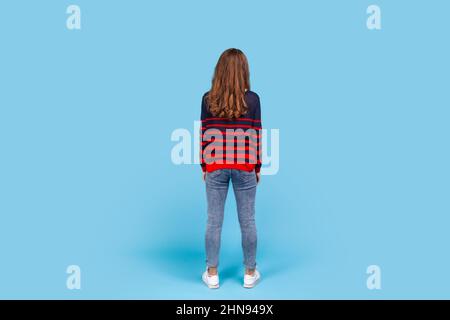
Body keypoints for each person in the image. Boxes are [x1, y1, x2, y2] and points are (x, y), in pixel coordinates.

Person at [200, 48, 262, 289]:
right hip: (245, 166)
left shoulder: (208, 99)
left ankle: (212, 274)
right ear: (243, 71)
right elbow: (256, 135)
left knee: (213, 221)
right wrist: (257, 167)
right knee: (247, 221)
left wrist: (205, 165)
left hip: (215, 165)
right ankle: (249, 273)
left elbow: (204, 134)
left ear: (220, 71)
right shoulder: (253, 99)